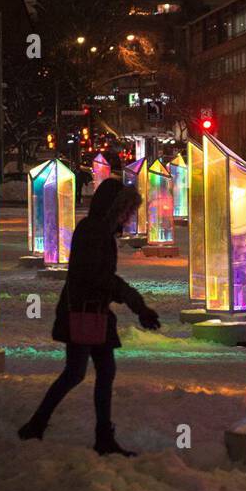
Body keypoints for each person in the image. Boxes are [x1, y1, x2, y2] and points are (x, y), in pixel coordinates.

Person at [18, 179, 161, 455]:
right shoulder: (95, 232)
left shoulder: (99, 231)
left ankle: (95, 435)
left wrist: (134, 303)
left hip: (93, 311)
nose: (129, 216)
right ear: (114, 208)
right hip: (83, 312)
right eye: (126, 210)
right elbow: (97, 277)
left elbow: (100, 277)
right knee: (76, 373)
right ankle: (39, 425)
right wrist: (136, 302)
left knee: (98, 372)